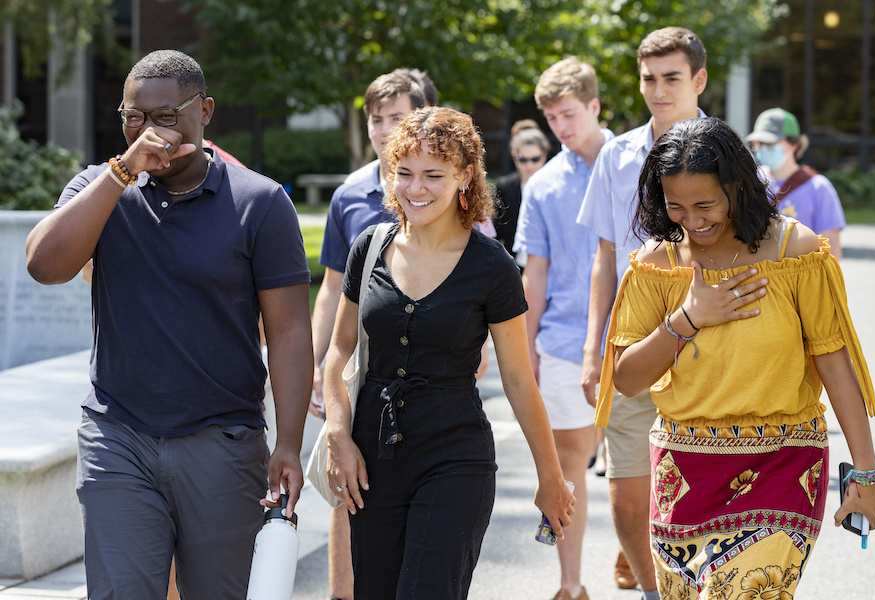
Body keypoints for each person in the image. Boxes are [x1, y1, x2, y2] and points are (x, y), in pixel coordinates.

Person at [24, 50, 313, 599]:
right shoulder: (101, 188)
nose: (149, 131)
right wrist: (120, 174)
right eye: (134, 117)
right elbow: (44, 265)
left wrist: (290, 443)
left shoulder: (260, 202)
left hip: (223, 442)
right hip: (118, 438)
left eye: (165, 116)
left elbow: (291, 333)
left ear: (204, 111)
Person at [598, 116, 875, 599]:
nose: (692, 220)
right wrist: (687, 319)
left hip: (784, 459)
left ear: (737, 187)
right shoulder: (656, 265)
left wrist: (867, 469)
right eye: (676, 207)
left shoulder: (792, 250)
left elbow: (834, 363)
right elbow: (626, 379)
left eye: (706, 204)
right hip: (683, 471)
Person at [323, 106, 575, 600]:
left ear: (463, 176)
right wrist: (337, 433)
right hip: (372, 457)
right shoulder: (369, 247)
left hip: (455, 457)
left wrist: (551, 476)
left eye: (433, 175)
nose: (416, 189)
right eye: (405, 173)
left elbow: (520, 380)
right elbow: (339, 351)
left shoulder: (493, 267)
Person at [576, 27, 710, 599]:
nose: (657, 90)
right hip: (631, 338)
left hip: (708, 333)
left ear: (699, 80)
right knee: (630, 492)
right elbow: (605, 257)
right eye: (648, 78)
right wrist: (592, 348)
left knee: (699, 485)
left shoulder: (731, 153)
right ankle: (655, 592)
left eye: (671, 78)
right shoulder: (617, 153)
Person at [310, 68, 429, 600]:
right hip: (360, 360)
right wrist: (318, 366)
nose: (384, 130)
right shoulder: (349, 196)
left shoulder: (453, 189)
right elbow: (331, 289)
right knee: (347, 481)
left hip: (429, 360)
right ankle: (342, 592)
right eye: (376, 120)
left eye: (396, 117)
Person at [513, 56, 612, 600]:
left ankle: (638, 555)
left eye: (569, 114)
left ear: (595, 106)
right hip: (563, 343)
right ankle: (571, 586)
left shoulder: (636, 162)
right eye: (551, 118)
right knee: (568, 467)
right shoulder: (544, 184)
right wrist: (525, 351)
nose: (560, 128)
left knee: (638, 468)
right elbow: (536, 274)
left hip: (640, 343)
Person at [747, 107, 846, 259]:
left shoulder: (819, 187)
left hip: (800, 278)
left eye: (770, 143)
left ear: (793, 144)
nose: (762, 149)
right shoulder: (751, 181)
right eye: (758, 144)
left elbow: (831, 251)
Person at [494, 119, 550, 257]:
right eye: (523, 160)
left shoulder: (555, 187)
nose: (529, 165)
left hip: (548, 264)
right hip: (514, 263)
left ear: (544, 156)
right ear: (515, 157)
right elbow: (496, 230)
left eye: (535, 159)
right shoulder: (506, 186)